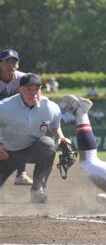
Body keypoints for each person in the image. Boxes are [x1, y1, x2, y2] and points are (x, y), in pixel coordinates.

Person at [0, 73, 71, 203]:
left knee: (48, 144)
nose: (33, 93)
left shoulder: (50, 107)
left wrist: (60, 137)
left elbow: (54, 124)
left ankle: (38, 190)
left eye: (37, 89)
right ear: (20, 89)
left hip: (31, 150)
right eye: (29, 89)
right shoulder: (4, 107)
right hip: (6, 154)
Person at [0, 48, 33, 185]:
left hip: (13, 115)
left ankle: (21, 174)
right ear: (0, 64)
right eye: (7, 61)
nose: (11, 65)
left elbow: (34, 96)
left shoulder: (23, 78)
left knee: (23, 133)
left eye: (14, 62)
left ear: (18, 64)